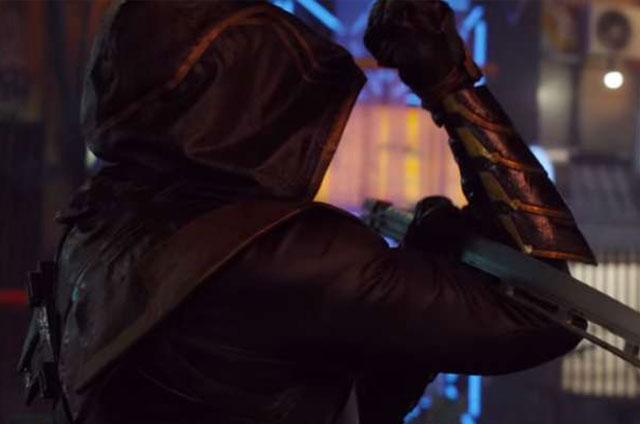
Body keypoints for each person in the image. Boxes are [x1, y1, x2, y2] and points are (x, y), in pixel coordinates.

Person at [21, 1, 592, 423]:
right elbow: (547, 315)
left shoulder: (96, 221)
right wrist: (451, 84)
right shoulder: (286, 253)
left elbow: (304, 391)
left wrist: (423, 276)